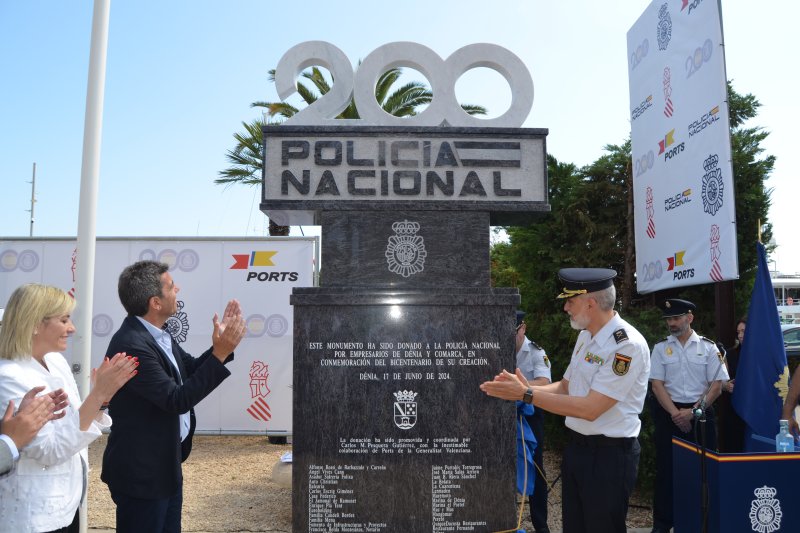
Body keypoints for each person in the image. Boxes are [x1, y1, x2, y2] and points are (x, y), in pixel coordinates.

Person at [481, 268, 650, 533]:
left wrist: (526, 395)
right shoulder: (586, 337)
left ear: (590, 303)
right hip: (578, 451)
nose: (566, 308)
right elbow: (566, 386)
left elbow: (592, 408)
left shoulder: (626, 345)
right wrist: (525, 386)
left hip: (609, 456)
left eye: (570, 301)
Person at [101, 260, 246, 533]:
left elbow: (189, 369)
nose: (177, 288)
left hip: (163, 466)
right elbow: (175, 400)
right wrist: (220, 354)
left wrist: (221, 349)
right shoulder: (132, 344)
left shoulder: (155, 334)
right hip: (141, 475)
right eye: (171, 286)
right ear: (155, 302)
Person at [0, 283, 138, 533]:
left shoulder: (55, 361)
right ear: (33, 324)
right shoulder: (9, 377)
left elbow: (74, 422)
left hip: (65, 505)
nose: (72, 328)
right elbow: (48, 451)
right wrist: (98, 396)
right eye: (64, 320)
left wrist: (101, 399)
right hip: (33, 516)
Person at [648, 298, 729, 533]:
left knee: (704, 470)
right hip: (669, 414)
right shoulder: (661, 348)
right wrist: (676, 414)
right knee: (666, 472)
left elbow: (716, 385)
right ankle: (662, 525)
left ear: (690, 318)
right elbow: (657, 385)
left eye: (676, 318)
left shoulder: (708, 347)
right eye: (668, 319)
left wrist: (693, 412)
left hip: (701, 415)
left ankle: (701, 523)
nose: (671, 323)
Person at [514, 311, 552, 533]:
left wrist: (517, 386)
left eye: (514, 332)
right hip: (503, 415)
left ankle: (541, 524)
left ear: (523, 328)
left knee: (535, 466)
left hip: (530, 415)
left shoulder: (536, 352)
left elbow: (545, 382)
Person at [717, 316, 746, 453]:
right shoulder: (729, 354)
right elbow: (721, 380)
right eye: (738, 332)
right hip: (734, 411)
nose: (740, 335)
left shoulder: (762, 356)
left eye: (744, 331)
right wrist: (726, 385)